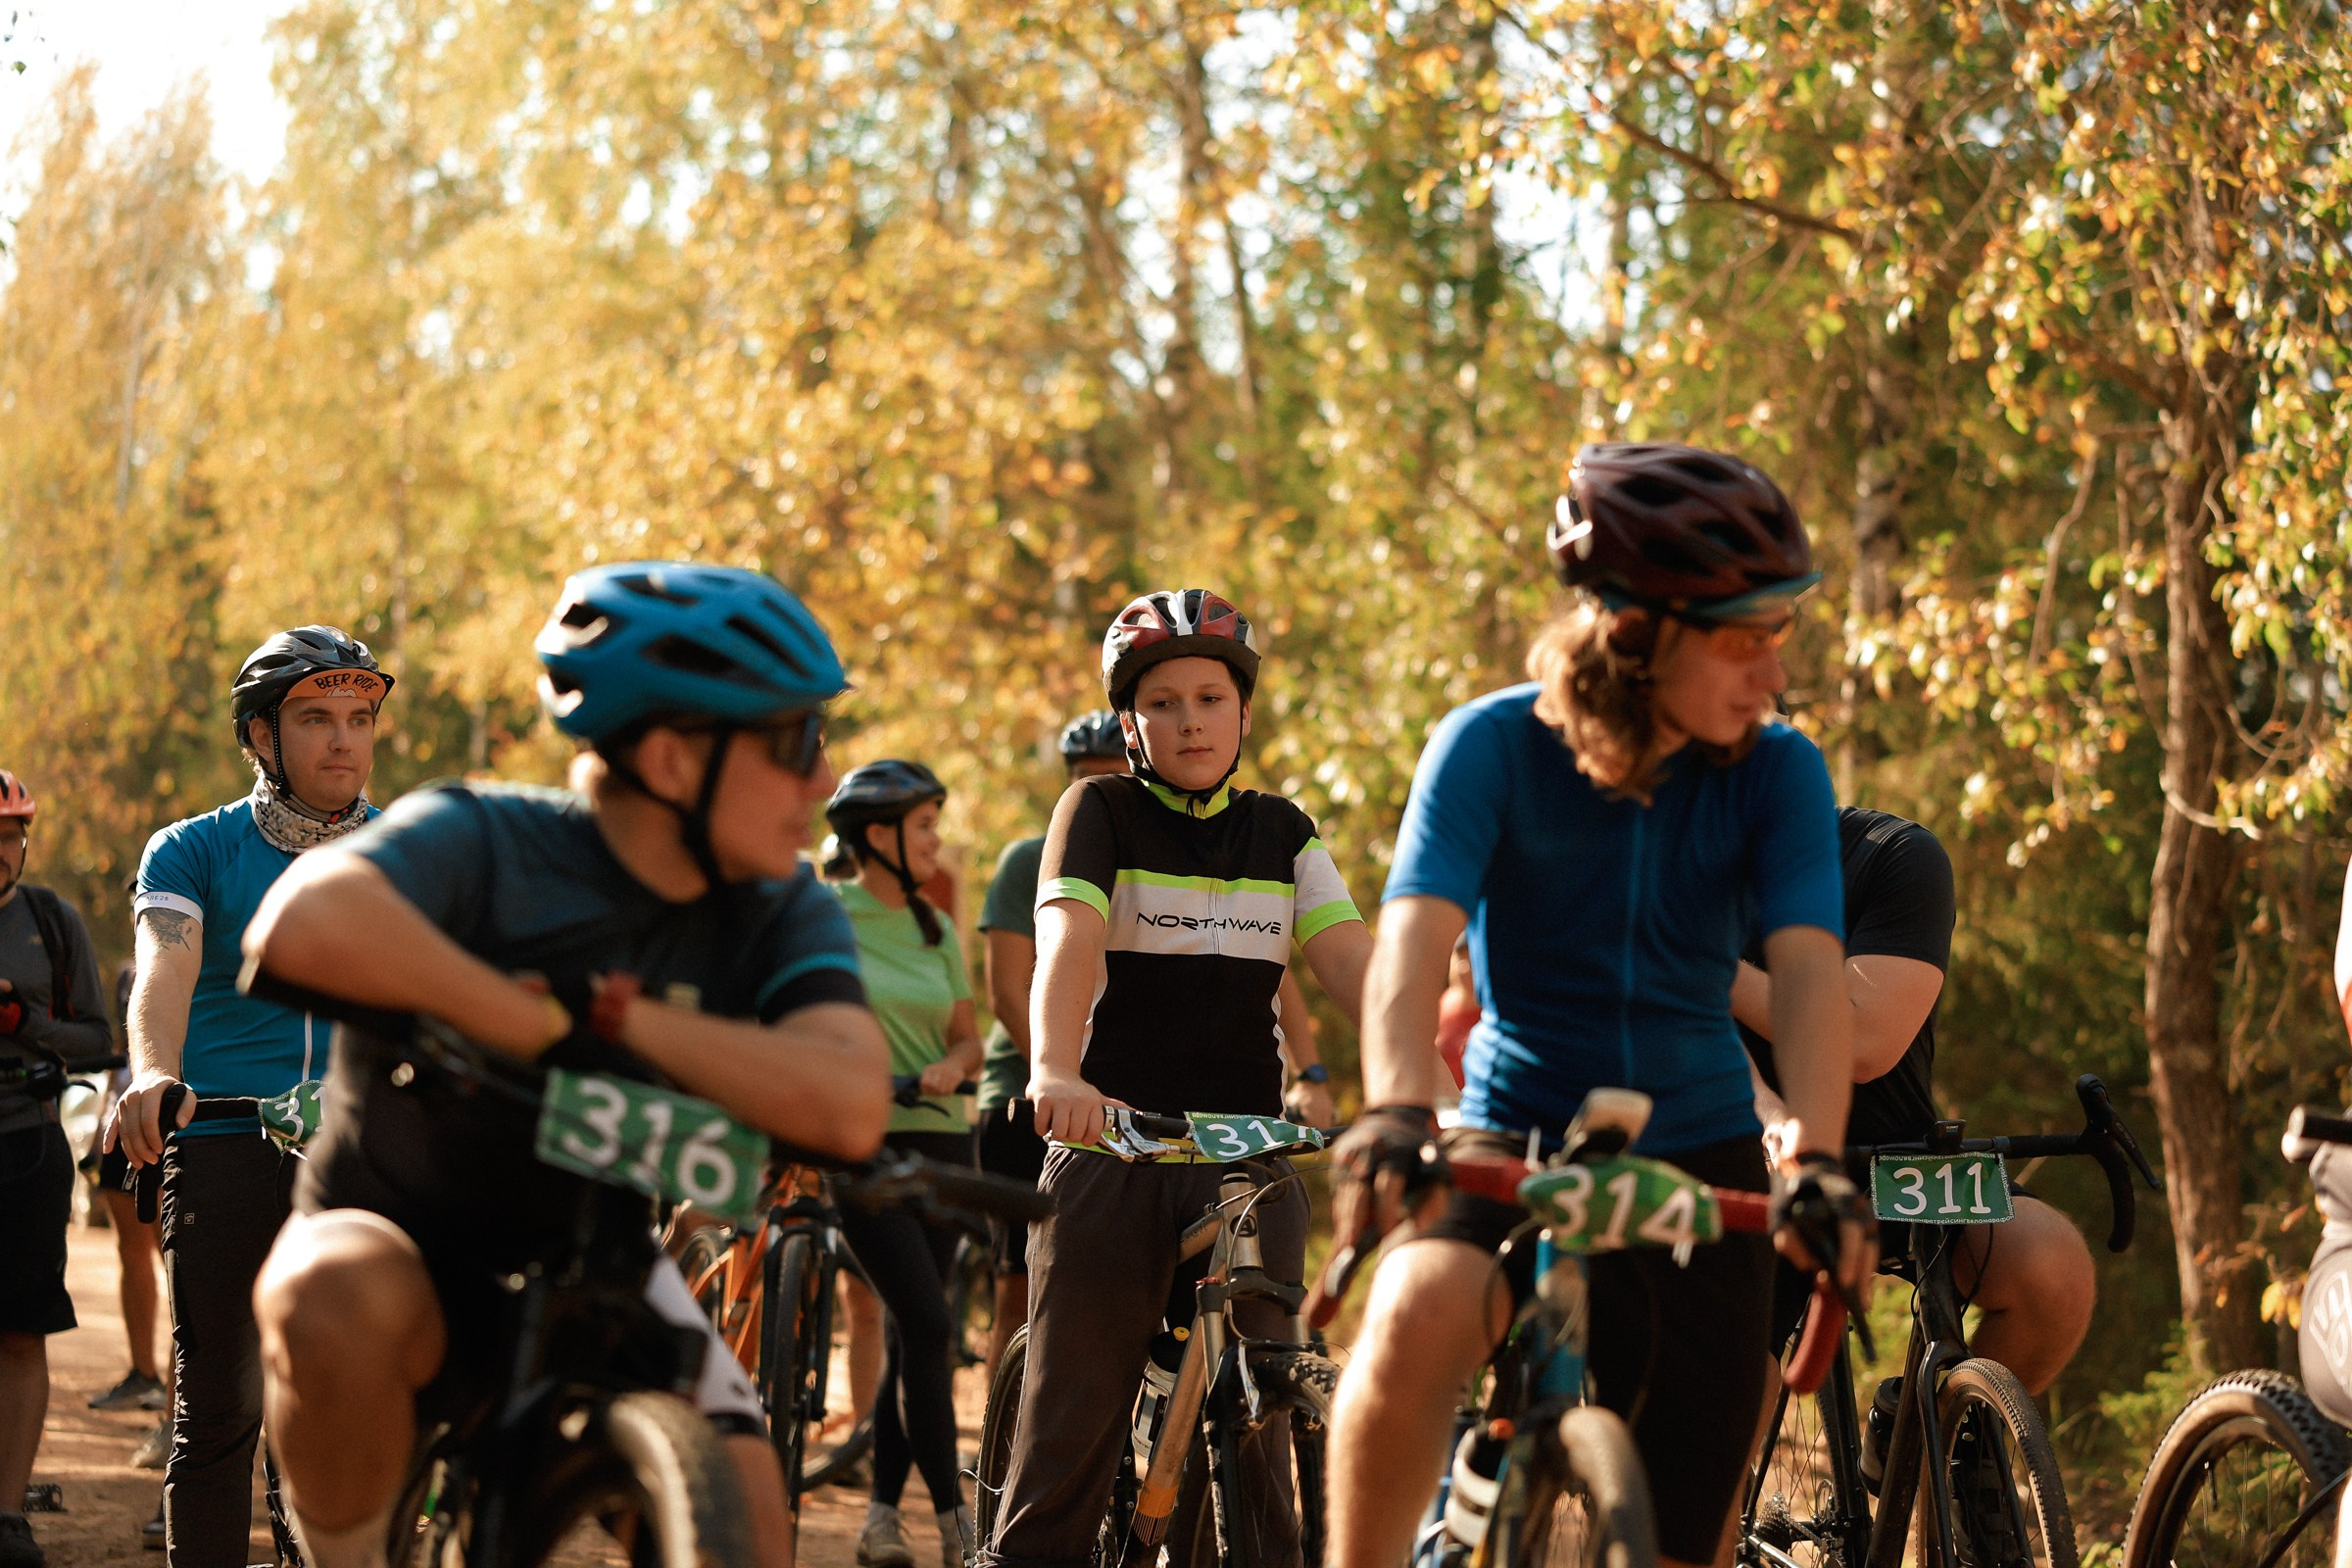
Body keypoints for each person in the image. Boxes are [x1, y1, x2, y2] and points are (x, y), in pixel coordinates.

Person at [238, 563, 891, 1568]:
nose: (821, 778)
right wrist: (517, 1019)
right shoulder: (485, 833)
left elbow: (849, 1103)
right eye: (795, 741)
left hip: (599, 1262)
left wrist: (615, 1022)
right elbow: (299, 926)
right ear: (674, 760)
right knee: (325, 1287)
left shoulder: (782, 903)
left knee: (754, 1525)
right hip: (403, 1248)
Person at [1323, 443, 1876, 1568]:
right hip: (1516, 1131)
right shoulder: (1488, 746)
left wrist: (1815, 1159)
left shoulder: (1778, 772)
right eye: (1744, 639)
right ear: (1637, 627)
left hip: (1705, 1156)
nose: (1773, 674)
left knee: (1689, 1536)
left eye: (1782, 637)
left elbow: (1813, 976)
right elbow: (1412, 948)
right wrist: (1391, 1112)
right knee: (1409, 1322)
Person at [983, 588, 1375, 1568]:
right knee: (1073, 1415)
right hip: (1110, 1134)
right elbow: (1067, 940)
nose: (1189, 718)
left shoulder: (1283, 831)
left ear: (1244, 713)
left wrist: (1442, 1086)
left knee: (1258, 1426)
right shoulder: (1099, 810)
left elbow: (1357, 967)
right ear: (1131, 722)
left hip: (1247, 1148)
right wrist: (1055, 1068)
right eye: (1163, 702)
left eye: (1210, 696)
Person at [103, 628, 390, 1568]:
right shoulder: (191, 849)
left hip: (360, 1148)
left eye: (359, 719)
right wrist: (153, 1072)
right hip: (225, 1136)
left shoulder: (405, 851)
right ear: (262, 737)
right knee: (221, 1408)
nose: (344, 742)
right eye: (316, 720)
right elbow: (164, 974)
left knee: (354, 1409)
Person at [1740, 806, 2096, 1443]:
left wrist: (1703, 967)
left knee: (2054, 1273)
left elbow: (1863, 1042)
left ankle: (1943, 1448)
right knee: (1724, 1436)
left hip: (1892, 1159)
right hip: (1745, 1167)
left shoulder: (1891, 853)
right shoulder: (1669, 864)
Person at [821, 761, 986, 1568]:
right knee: (925, 1322)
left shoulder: (935, 926)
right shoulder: (826, 914)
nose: (935, 841)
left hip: (946, 1139)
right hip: (862, 1140)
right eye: (923, 826)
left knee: (910, 1334)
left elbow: (969, 1036)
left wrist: (956, 1065)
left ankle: (880, 1521)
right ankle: (958, 1526)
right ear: (876, 837)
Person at [0, 769, 114, 1568]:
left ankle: (8, 1516)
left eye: (8, 836)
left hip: (25, 1144)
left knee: (18, 1332)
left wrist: (21, 1019)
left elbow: (99, 1039)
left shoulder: (50, 920)